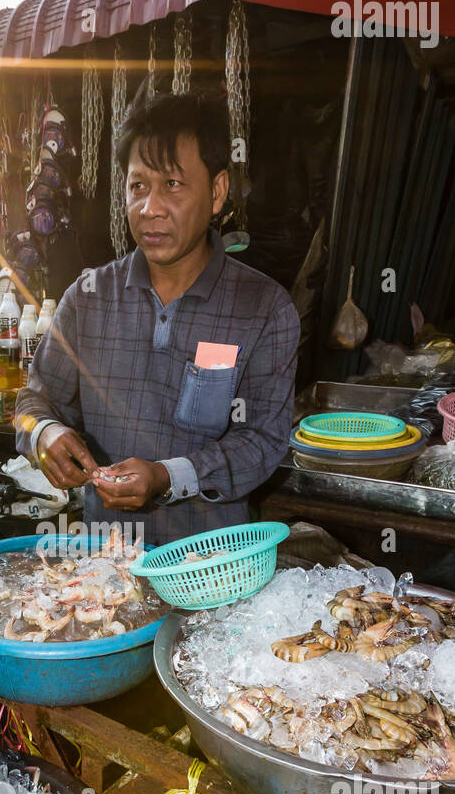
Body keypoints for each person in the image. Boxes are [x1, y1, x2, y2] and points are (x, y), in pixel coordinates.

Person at [15, 91, 300, 542]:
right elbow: (32, 403)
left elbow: (263, 443)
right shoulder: (88, 298)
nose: (150, 208)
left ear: (217, 192)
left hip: (211, 567)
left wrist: (167, 477)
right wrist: (43, 435)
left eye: (172, 184)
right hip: (109, 573)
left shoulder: (263, 308)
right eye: (138, 186)